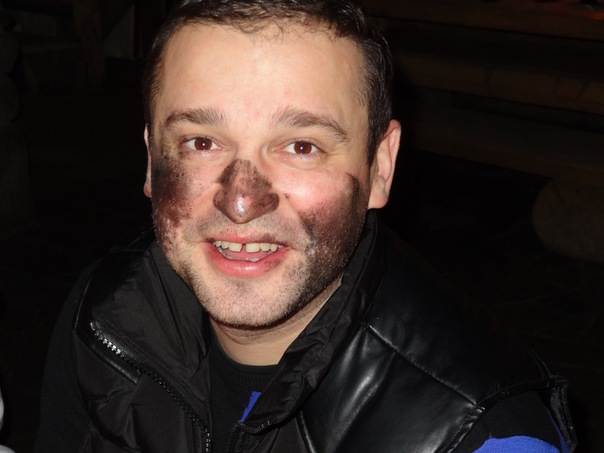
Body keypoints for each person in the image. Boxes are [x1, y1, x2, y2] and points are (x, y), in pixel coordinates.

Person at [35, 0, 576, 451]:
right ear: (153, 160)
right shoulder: (105, 315)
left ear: (379, 168)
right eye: (201, 142)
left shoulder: (480, 436)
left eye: (301, 147)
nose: (241, 202)